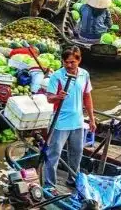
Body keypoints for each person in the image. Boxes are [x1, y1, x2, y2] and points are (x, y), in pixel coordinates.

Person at [43, 46, 96, 193]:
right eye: (66, 62)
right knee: (54, 154)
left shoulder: (84, 75)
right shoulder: (57, 76)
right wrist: (57, 96)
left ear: (79, 60)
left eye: (72, 62)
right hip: (60, 122)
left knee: (77, 153)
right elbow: (49, 98)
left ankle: (72, 179)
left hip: (77, 121)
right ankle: (50, 184)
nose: (69, 65)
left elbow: (87, 97)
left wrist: (91, 119)